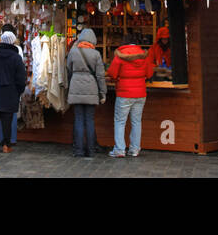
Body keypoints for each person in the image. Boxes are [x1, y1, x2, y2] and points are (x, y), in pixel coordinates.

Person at [107, 32, 156, 158]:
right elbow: (150, 74)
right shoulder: (144, 56)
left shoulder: (120, 55)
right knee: (136, 121)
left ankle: (119, 150)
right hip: (140, 93)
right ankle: (134, 149)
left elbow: (112, 73)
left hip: (124, 93)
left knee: (120, 121)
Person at [66, 28, 106, 158]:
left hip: (76, 87)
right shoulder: (96, 54)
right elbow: (100, 76)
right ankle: (91, 150)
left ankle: (78, 151)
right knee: (89, 120)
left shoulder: (73, 52)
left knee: (78, 119)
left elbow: (68, 70)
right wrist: (102, 92)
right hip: (91, 88)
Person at [0, 23, 23, 145]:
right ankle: (8, 142)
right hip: (11, 89)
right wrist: (20, 89)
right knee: (10, 116)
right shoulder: (17, 52)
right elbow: (20, 74)